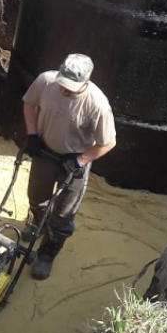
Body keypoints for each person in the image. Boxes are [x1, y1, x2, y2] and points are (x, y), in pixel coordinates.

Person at [21, 53, 116, 280]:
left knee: (63, 215)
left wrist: (80, 161)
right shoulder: (46, 81)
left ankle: (47, 254)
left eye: (70, 88)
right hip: (45, 152)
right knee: (36, 197)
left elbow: (108, 142)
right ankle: (39, 223)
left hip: (73, 162)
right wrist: (32, 135)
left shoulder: (97, 105)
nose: (64, 91)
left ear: (85, 82)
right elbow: (29, 103)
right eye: (62, 85)